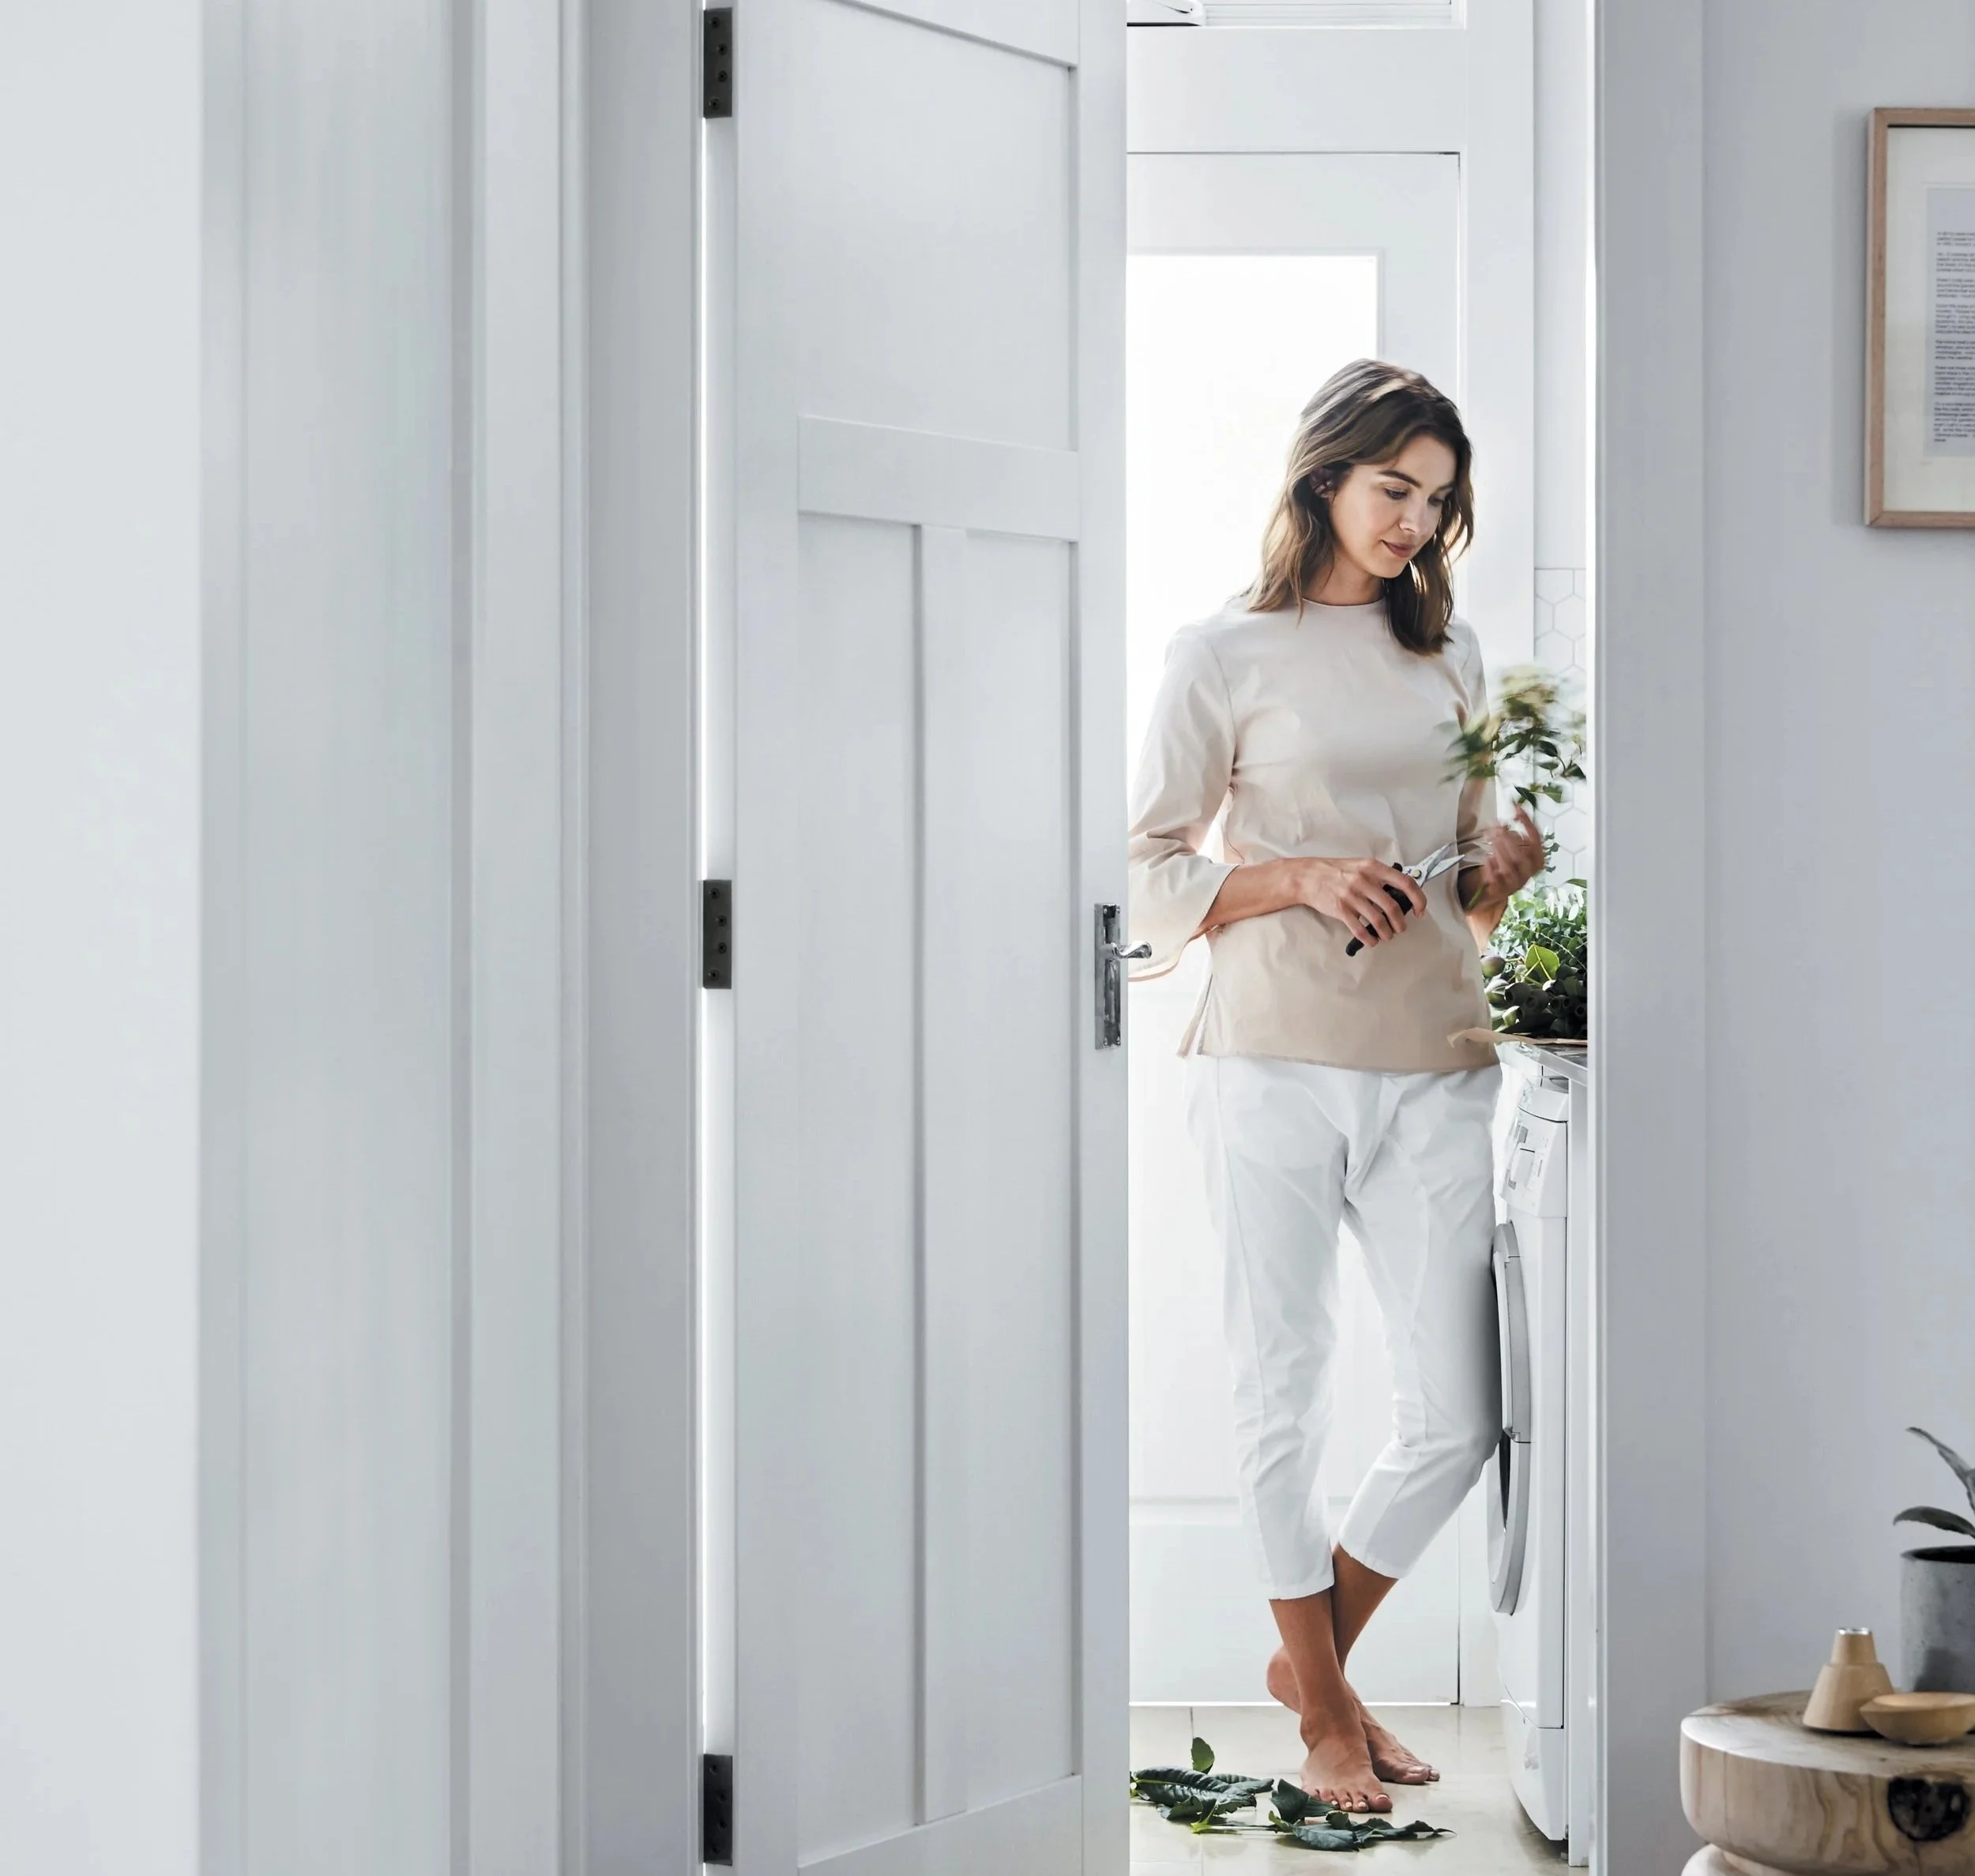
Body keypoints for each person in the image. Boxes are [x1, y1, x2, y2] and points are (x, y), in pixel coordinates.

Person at [1127, 359, 1546, 1814]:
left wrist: (1502, 867)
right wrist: (1293, 872)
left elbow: (1473, 876)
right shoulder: (1220, 652)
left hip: (1434, 1059)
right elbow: (1142, 869)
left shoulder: (1455, 656)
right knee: (1280, 1386)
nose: (1416, 525)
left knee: (1459, 1413)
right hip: (1267, 1063)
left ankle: (1311, 1671)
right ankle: (1327, 1722)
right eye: (1394, 491)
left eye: (1437, 502)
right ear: (1324, 478)